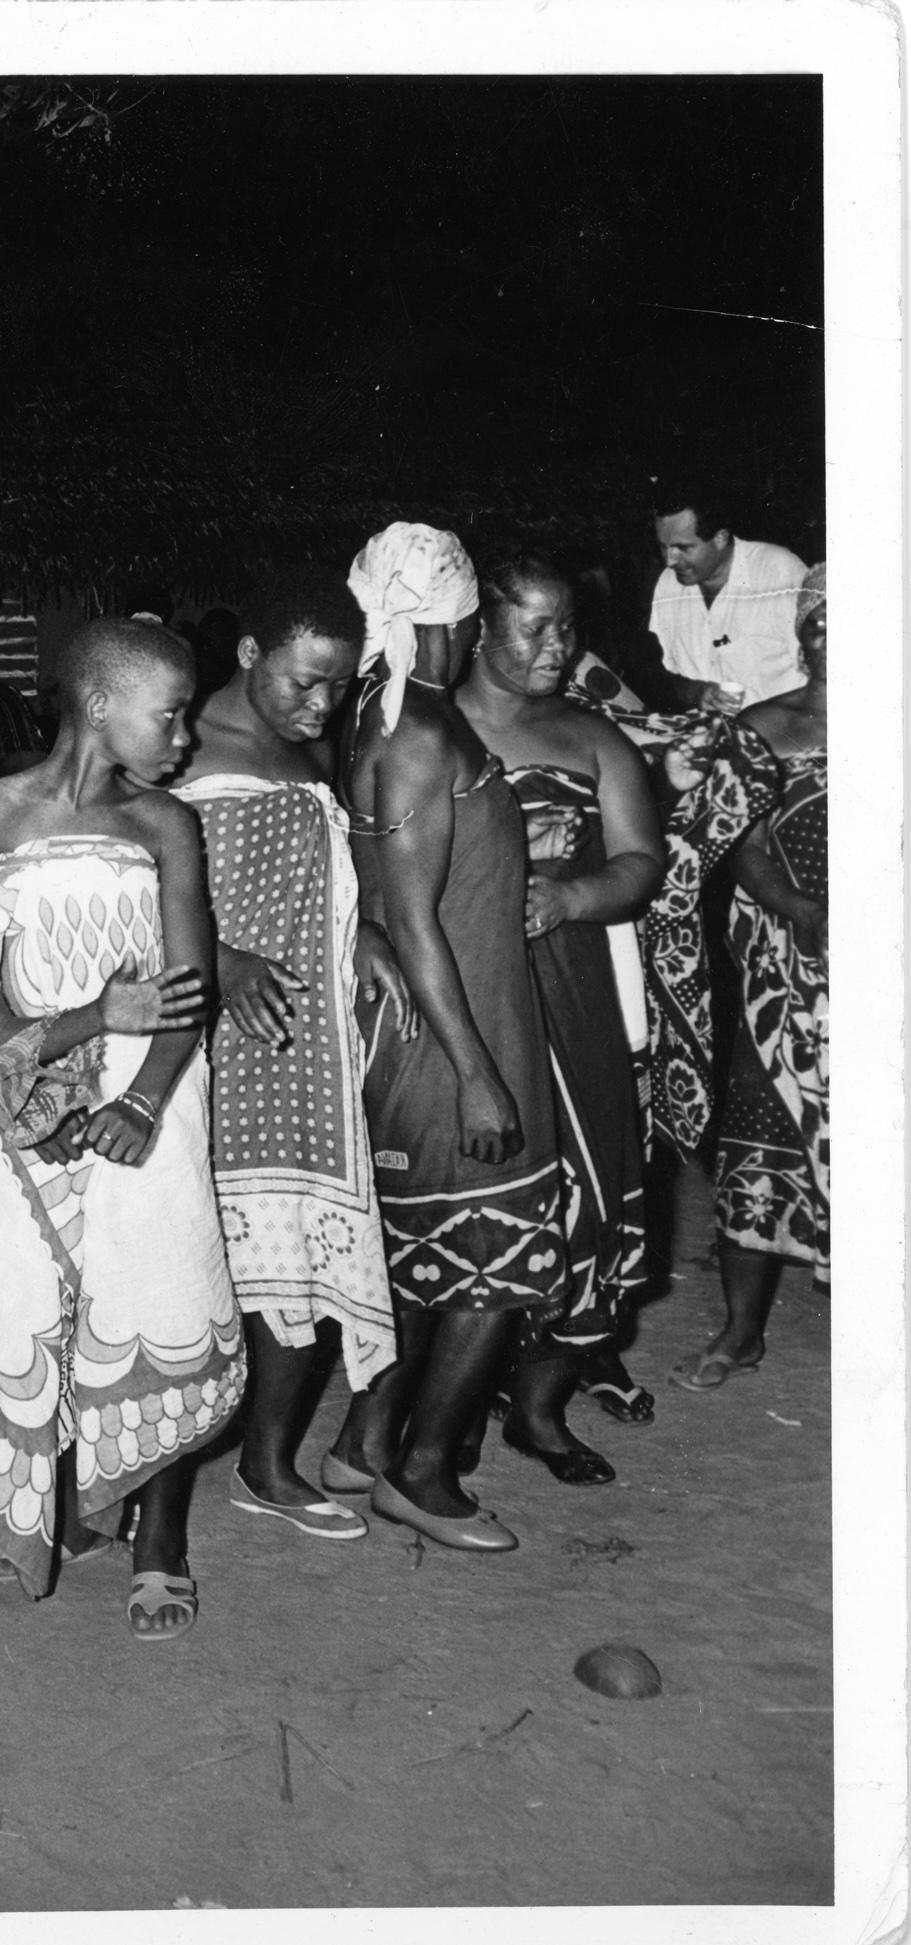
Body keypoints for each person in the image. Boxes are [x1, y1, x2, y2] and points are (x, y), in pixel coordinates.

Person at [0, 620, 243, 1641]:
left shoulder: (164, 824)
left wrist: (143, 1100)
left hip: (146, 1094)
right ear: (100, 703)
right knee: (21, 1294)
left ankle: (159, 1537)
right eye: (172, 711)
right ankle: (49, 1504)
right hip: (17, 1094)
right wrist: (32, 1100)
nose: (185, 734)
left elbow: (186, 989)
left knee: (151, 1291)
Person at [335, 523, 565, 1554]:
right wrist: (476, 1073)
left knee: (428, 1252)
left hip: (447, 1016)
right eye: (473, 612)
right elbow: (416, 915)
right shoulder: (421, 730)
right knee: (493, 1259)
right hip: (451, 1032)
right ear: (454, 616)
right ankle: (424, 1474)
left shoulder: (390, 715)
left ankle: (361, 1442)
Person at [171, 567, 405, 1540]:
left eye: (336, 685)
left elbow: (326, 870)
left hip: (300, 1042)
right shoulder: (177, 748)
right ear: (246, 654)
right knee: (181, 1260)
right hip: (197, 1036)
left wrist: (366, 937)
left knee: (297, 1253)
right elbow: (116, 874)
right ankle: (139, 1475)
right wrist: (217, 958)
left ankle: (267, 1463)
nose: (319, 703)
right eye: (301, 680)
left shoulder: (304, 748)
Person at [455, 559, 664, 1481]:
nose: (555, 647)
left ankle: (537, 1410)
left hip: (569, 983)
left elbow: (640, 859)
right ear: (477, 626)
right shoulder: (422, 731)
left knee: (582, 1185)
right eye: (533, 627)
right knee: (464, 1188)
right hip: (454, 990)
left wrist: (572, 892)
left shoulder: (591, 737)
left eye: (565, 627)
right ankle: (450, 1401)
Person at [679, 563, 827, 1387]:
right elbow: (736, 841)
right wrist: (796, 907)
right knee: (760, 1124)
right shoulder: (762, 727)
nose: (827, 638)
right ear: (796, 634)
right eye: (814, 623)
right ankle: (740, 1330)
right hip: (784, 962)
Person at [645, 485, 809, 714]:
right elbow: (664, 675)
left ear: (720, 538)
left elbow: (822, 674)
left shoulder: (778, 572)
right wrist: (696, 692)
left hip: (779, 738)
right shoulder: (668, 584)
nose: (669, 561)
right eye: (664, 547)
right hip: (702, 734)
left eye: (683, 548)